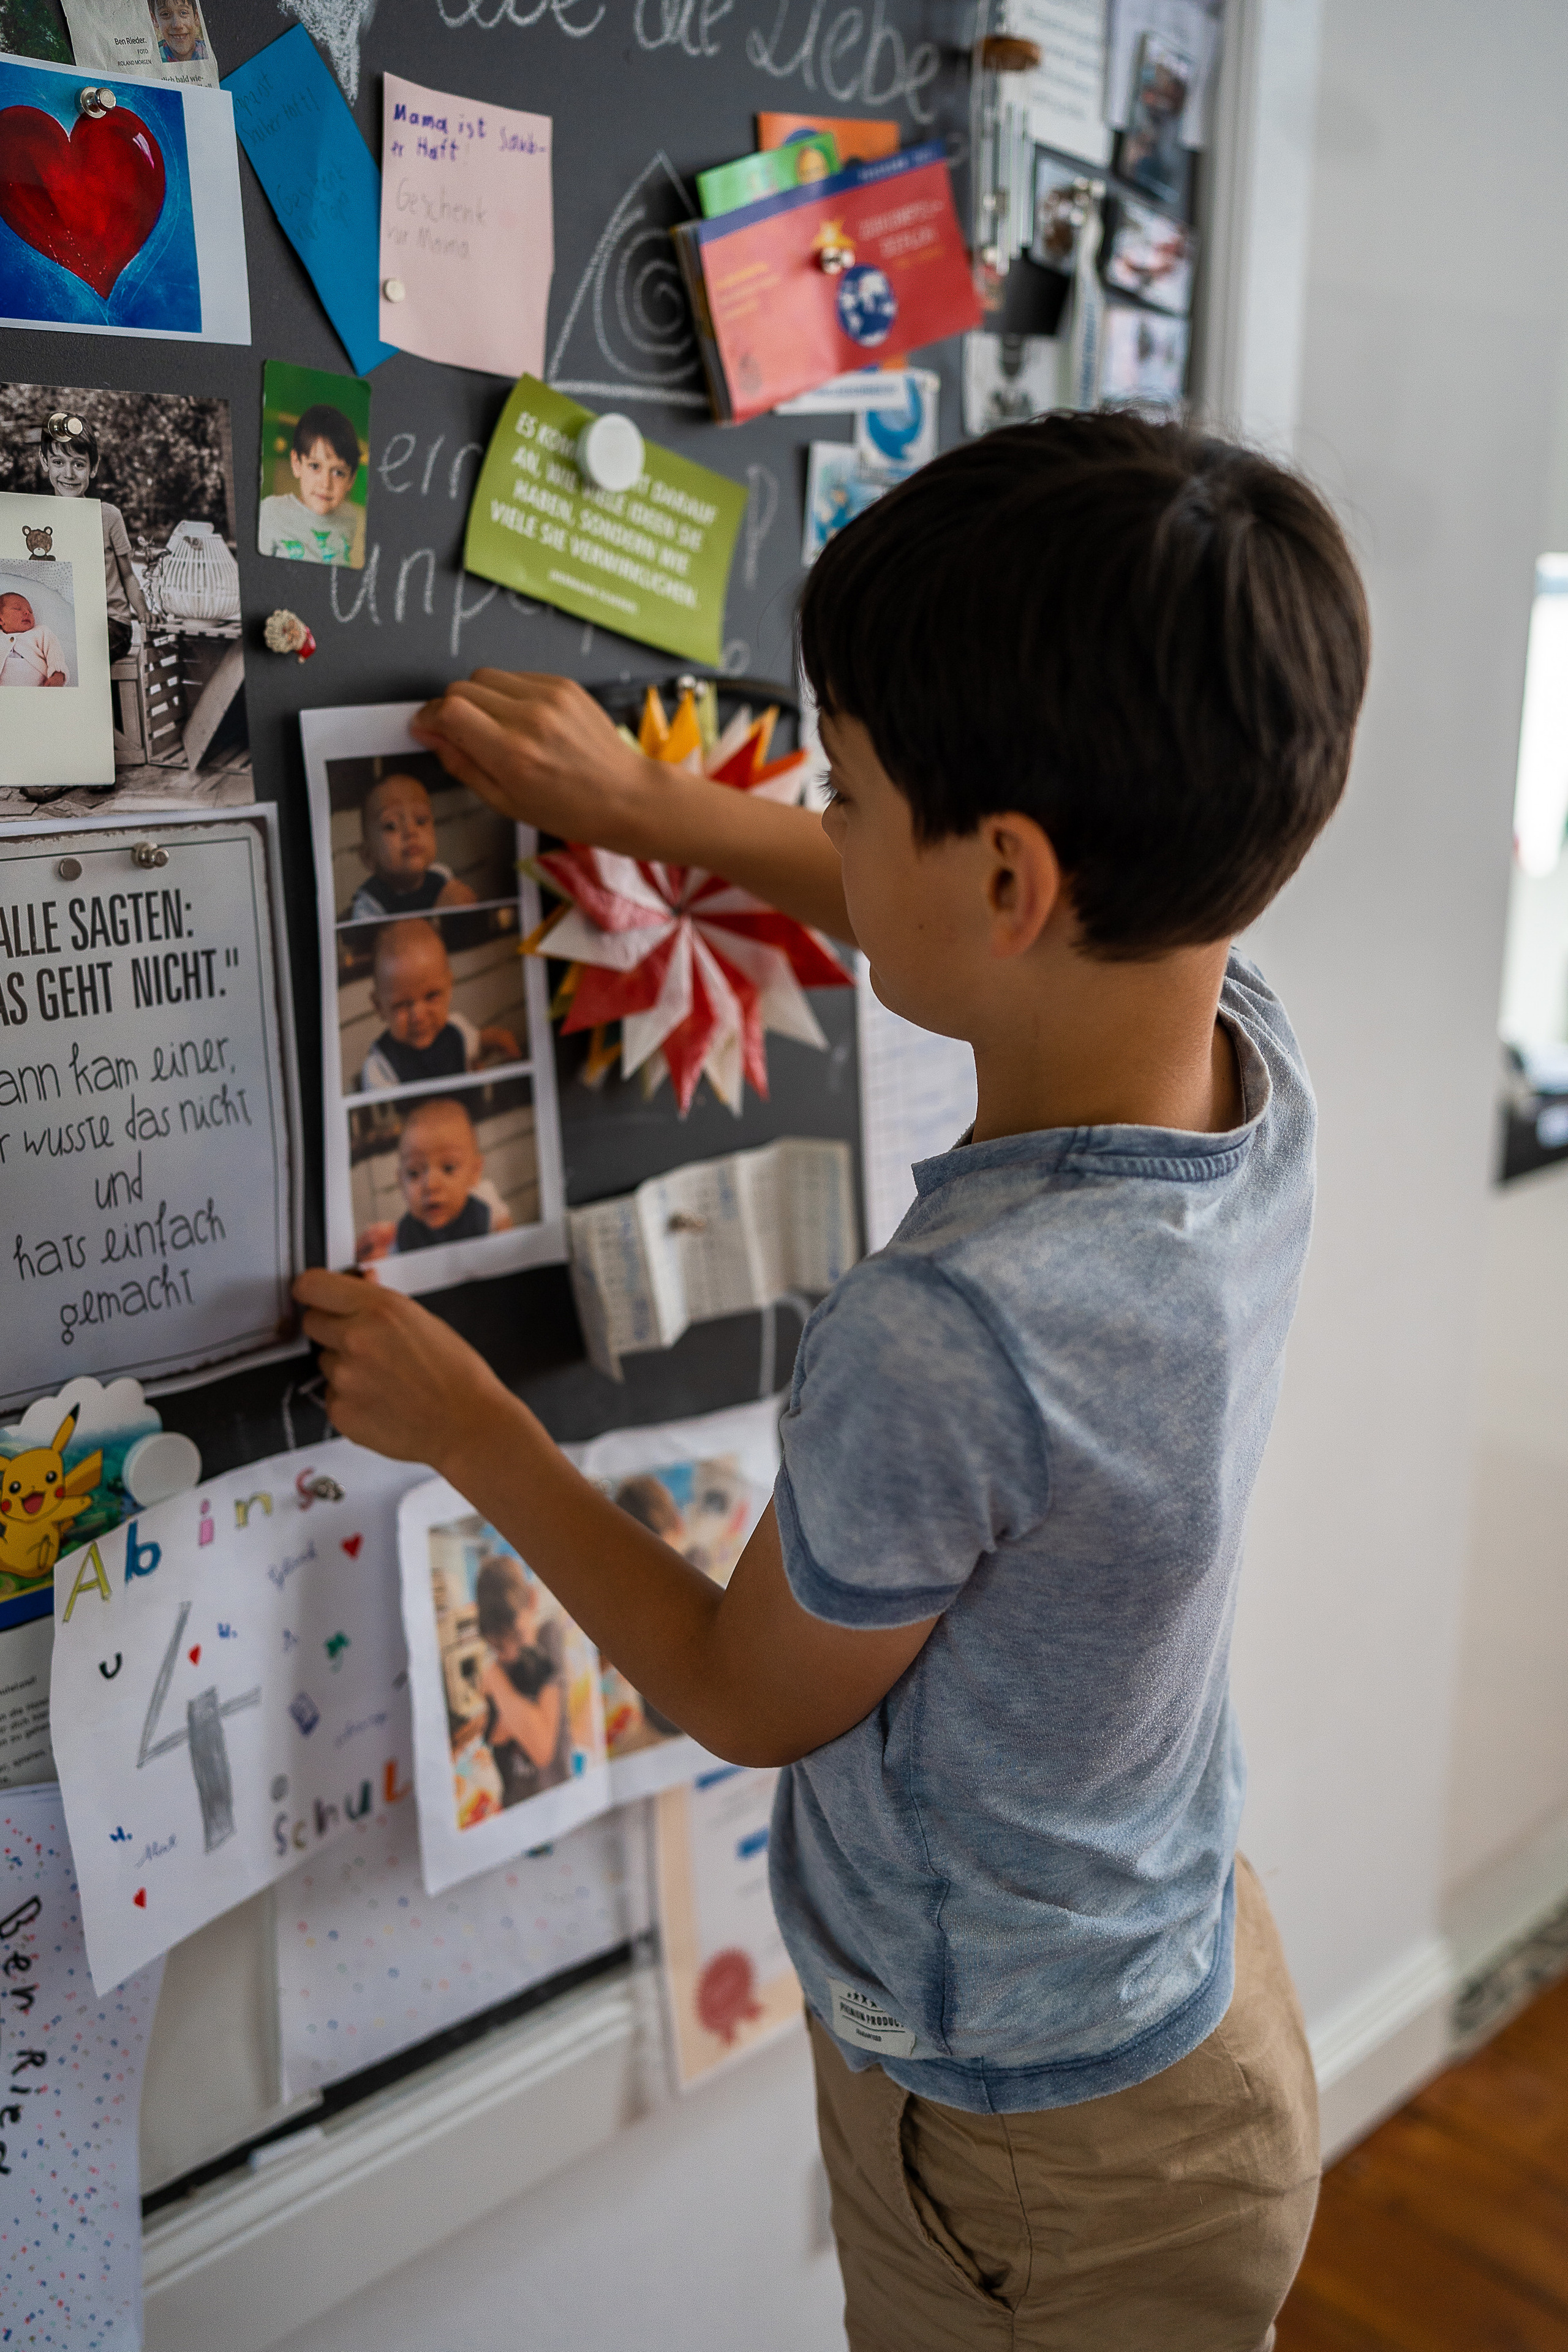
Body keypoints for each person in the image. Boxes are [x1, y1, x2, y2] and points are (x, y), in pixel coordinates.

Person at [296, 412, 1371, 2351]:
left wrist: (471, 1424)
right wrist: (659, 810)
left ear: (1012, 876)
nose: (827, 820)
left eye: (845, 792)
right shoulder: (1246, 1056)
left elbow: (740, 1691)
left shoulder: (954, 1330)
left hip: (1032, 2155)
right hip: (1177, 2009)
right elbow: (972, 900)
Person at [37, 409, 152, 667]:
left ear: (93, 468)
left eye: (79, 464)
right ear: (45, 462)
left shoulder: (109, 516)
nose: (69, 473)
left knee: (75, 651)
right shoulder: (38, 520)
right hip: (66, 621)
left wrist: (144, 612)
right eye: (58, 462)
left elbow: (128, 575)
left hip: (111, 624)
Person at [357, 918, 519, 1091]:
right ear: (379, 1007)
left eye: (431, 996)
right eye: (402, 1004)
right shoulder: (380, 1069)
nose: (418, 1016)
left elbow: (475, 1046)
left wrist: (493, 1039)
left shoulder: (457, 1029)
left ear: (449, 988)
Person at [356, 1095, 513, 1261]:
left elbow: (508, 1239)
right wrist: (375, 1256)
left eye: (448, 1168)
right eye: (414, 1173)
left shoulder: (487, 1207)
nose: (430, 1185)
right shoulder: (402, 1236)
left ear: (474, 1172)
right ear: (401, 1182)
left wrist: (505, 1238)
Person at [474, 1551, 570, 1807]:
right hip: (513, 1802)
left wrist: (496, 1680)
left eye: (517, 1636)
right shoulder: (503, 1660)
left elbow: (541, 1748)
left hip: (554, 1799)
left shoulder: (549, 1638)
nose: (511, 1655)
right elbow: (494, 1735)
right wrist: (523, 1717)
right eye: (498, 1646)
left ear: (533, 1600)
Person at [349, 771, 478, 920]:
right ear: (368, 856)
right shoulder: (370, 904)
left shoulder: (442, 876)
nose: (411, 832)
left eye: (421, 821)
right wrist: (438, 917)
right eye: (391, 826)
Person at [258, 404, 363, 566]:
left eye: (338, 473)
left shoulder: (350, 517)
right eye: (315, 466)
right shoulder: (271, 512)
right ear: (297, 464)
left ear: (351, 479)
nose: (326, 484)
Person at [0, 590, 68, 687]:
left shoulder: (41, 632)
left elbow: (54, 652)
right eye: (17, 609)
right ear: (1, 620)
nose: (27, 612)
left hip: (39, 689)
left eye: (30, 611)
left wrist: (58, 673)